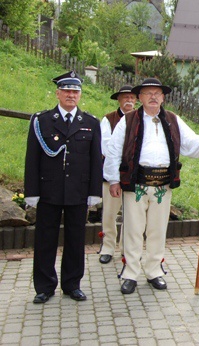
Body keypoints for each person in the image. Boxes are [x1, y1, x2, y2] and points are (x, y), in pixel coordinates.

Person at [104, 78, 199, 294]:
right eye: (148, 93)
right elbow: (114, 151)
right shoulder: (127, 121)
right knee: (133, 231)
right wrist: (113, 180)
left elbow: (191, 142)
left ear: (163, 98)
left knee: (157, 230)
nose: (153, 97)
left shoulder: (173, 120)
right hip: (135, 184)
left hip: (163, 184)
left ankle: (154, 271)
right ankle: (130, 273)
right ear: (140, 98)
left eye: (157, 93)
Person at [25, 70, 102, 303]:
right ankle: (45, 286)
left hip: (78, 191)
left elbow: (95, 160)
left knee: (76, 240)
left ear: (80, 95)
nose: (71, 95)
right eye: (67, 91)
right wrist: (32, 191)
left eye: (75, 91)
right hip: (49, 190)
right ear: (57, 93)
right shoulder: (42, 121)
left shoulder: (90, 123)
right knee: (45, 239)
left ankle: (72, 284)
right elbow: (32, 158)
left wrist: (94, 192)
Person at [98, 84, 137, 264]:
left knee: (131, 214)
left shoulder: (140, 119)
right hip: (113, 173)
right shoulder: (108, 119)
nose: (129, 100)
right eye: (125, 97)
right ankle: (107, 246)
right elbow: (106, 146)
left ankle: (125, 248)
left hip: (133, 175)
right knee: (110, 213)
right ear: (119, 100)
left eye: (132, 97)